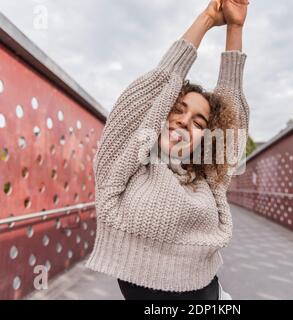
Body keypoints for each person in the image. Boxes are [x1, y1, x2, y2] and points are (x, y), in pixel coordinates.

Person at [85, 0, 250, 300]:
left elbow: (232, 119)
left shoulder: (207, 179)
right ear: (160, 112)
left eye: (199, 121)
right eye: (177, 109)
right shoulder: (126, 167)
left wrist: (235, 29)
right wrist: (208, 18)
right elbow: (147, 93)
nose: (185, 121)